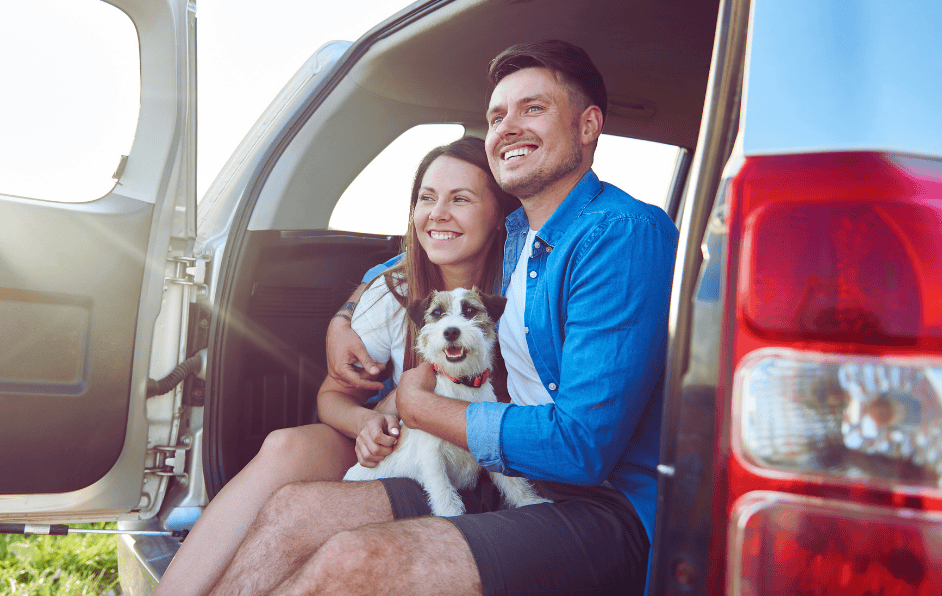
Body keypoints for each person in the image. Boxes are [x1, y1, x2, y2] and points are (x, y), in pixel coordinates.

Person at [209, 40, 678, 596]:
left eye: (534, 108)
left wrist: (420, 406)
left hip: (598, 503)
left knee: (355, 560)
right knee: (295, 510)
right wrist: (347, 312)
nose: (508, 127)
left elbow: (581, 447)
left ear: (588, 125)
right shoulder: (520, 241)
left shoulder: (618, 234)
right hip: (500, 475)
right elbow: (428, 251)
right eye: (497, 115)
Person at [152, 137, 518, 596]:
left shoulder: (523, 287)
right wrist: (367, 421)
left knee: (302, 511)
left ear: (502, 215)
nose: (437, 213)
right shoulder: (393, 291)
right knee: (285, 446)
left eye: (460, 199)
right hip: (401, 447)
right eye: (426, 198)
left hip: (483, 458)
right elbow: (332, 396)